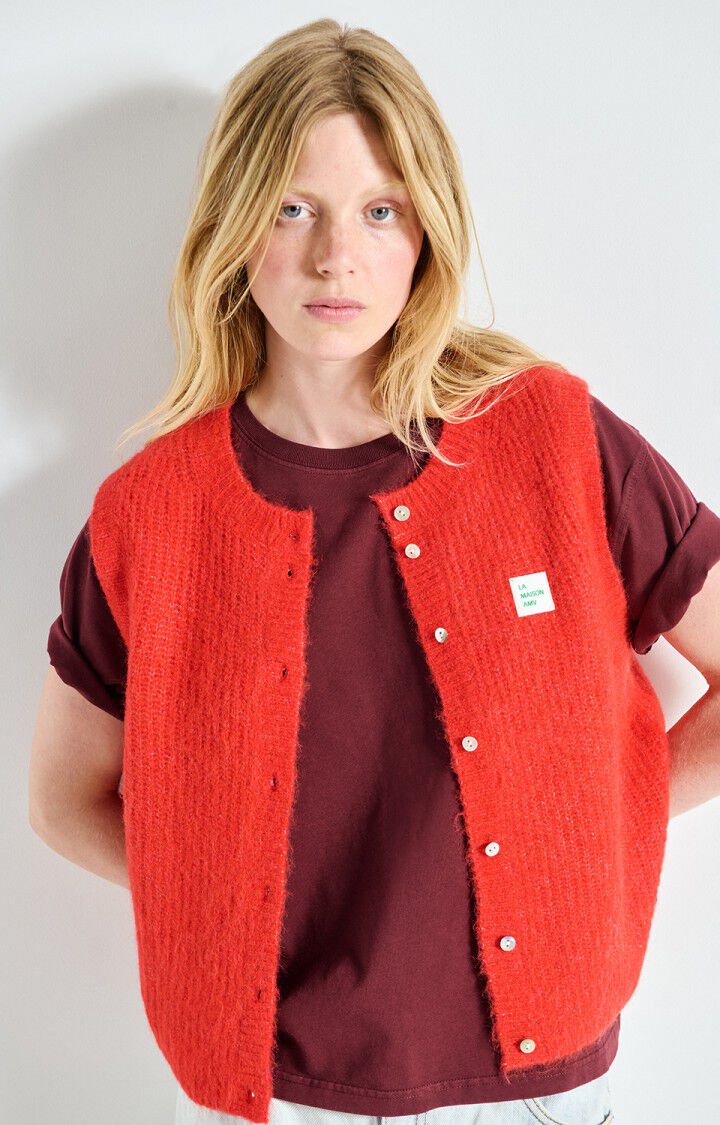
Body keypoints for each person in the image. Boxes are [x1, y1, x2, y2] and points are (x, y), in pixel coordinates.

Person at [29, 18, 720, 1125]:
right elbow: (64, 800)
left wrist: (607, 824)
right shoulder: (149, 514)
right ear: (233, 223)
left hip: (541, 1084)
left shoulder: (556, 438)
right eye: (292, 208)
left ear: (426, 229)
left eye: (380, 211)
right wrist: (221, 904)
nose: (335, 257)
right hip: (277, 1086)